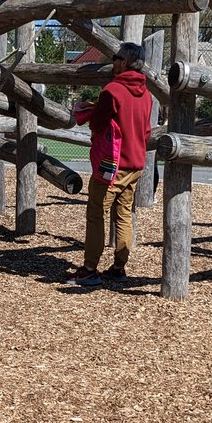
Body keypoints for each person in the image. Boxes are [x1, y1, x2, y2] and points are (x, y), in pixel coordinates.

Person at [67, 43, 152, 287]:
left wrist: (89, 111)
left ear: (125, 62)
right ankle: (118, 267)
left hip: (112, 165)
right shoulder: (146, 95)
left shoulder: (112, 91)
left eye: (116, 58)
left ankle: (90, 268)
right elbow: (146, 131)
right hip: (136, 164)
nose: (113, 61)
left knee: (96, 213)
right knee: (124, 214)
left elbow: (97, 124)